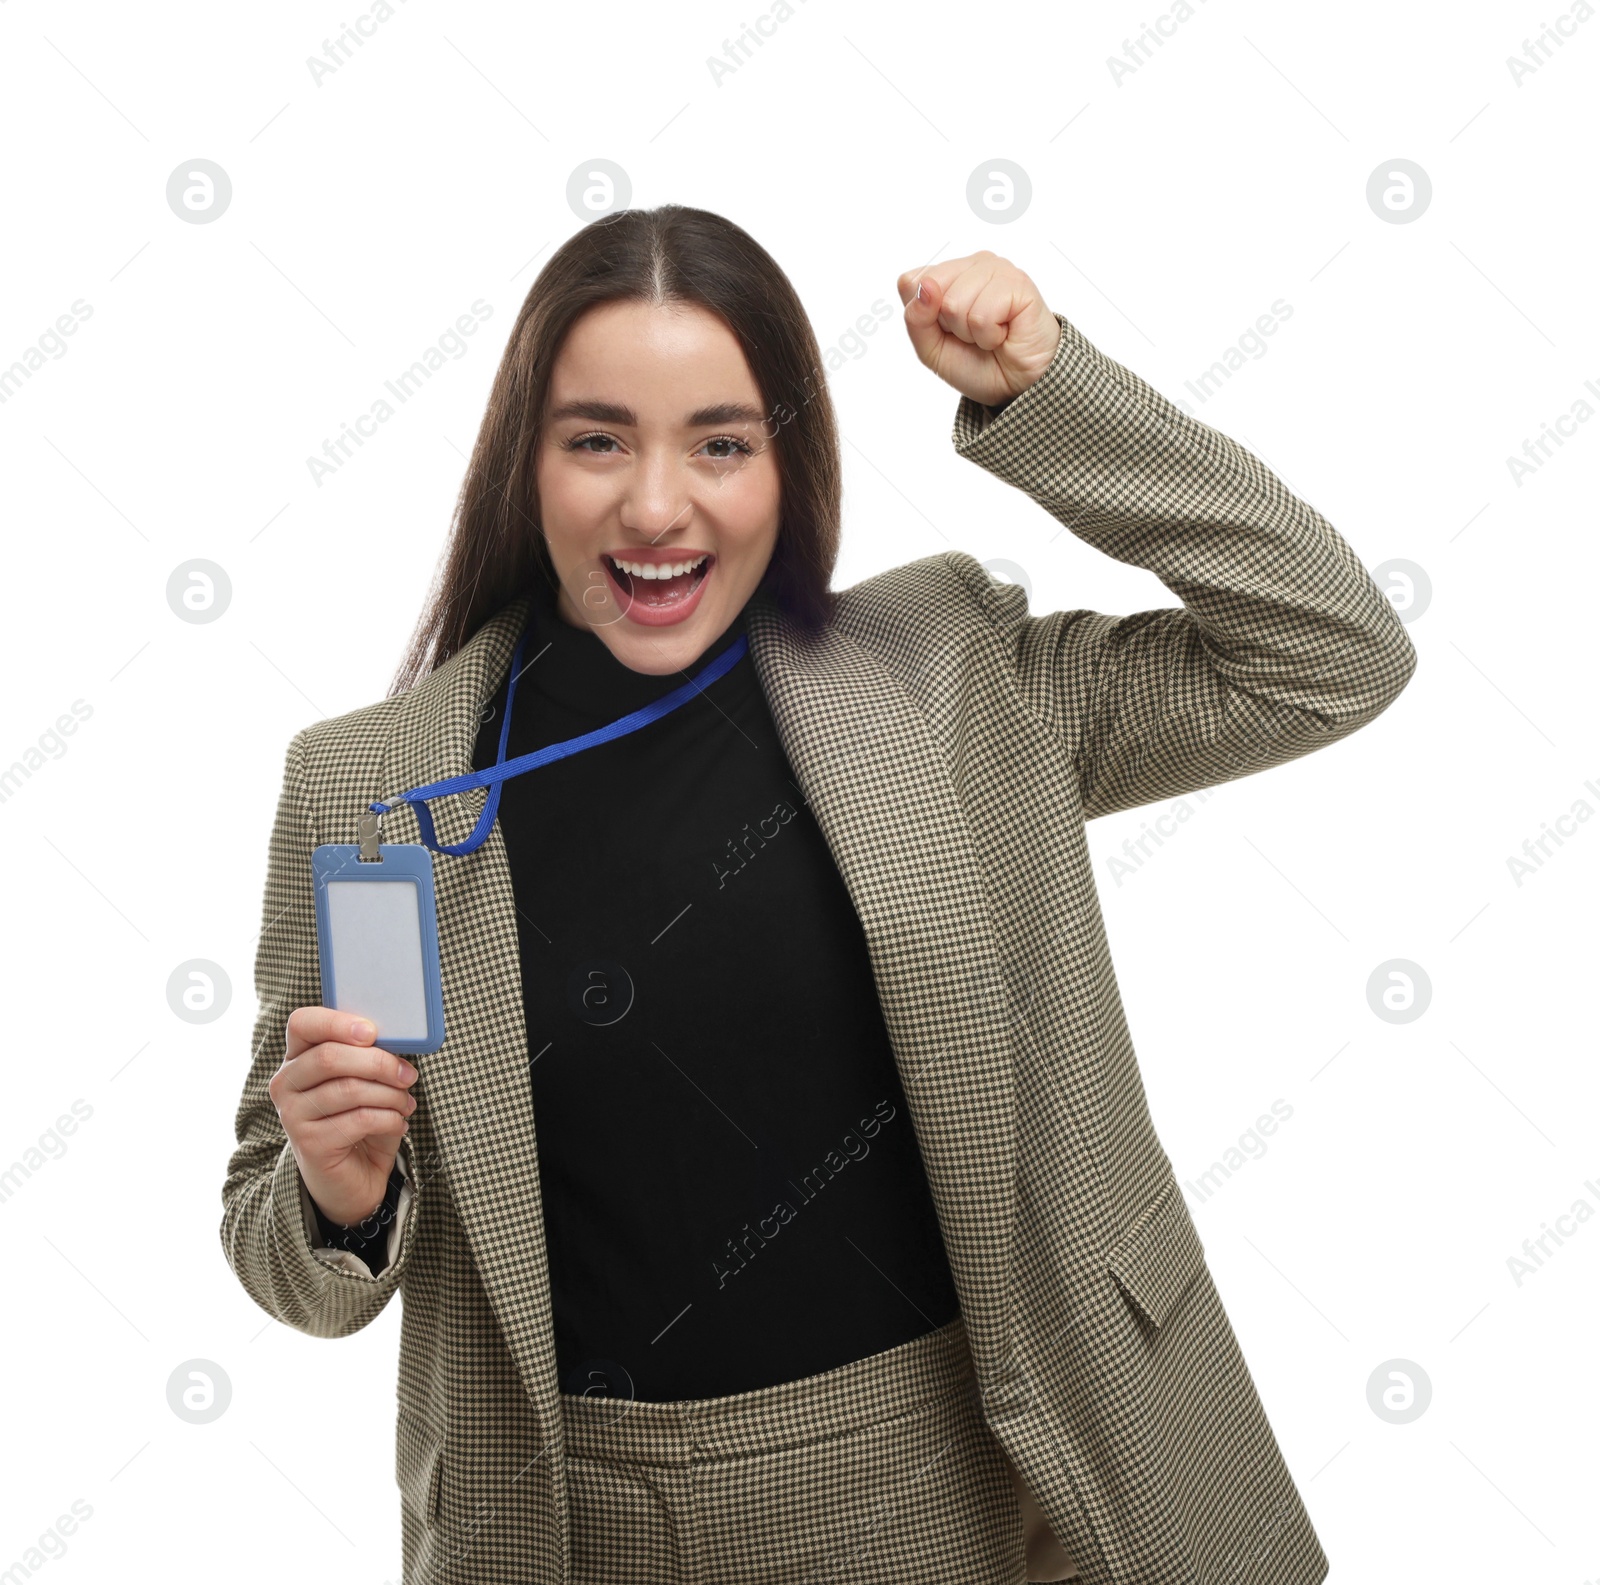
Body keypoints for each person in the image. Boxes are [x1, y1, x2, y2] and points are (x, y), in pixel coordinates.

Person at [220, 205, 1415, 1585]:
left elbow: (1331, 653)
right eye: (597, 438)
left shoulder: (949, 675)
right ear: (522, 466)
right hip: (566, 1524)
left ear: (790, 463)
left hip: (956, 1486)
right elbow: (284, 1250)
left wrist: (1050, 394)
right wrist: (341, 1194)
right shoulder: (375, 788)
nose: (656, 504)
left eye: (721, 442)